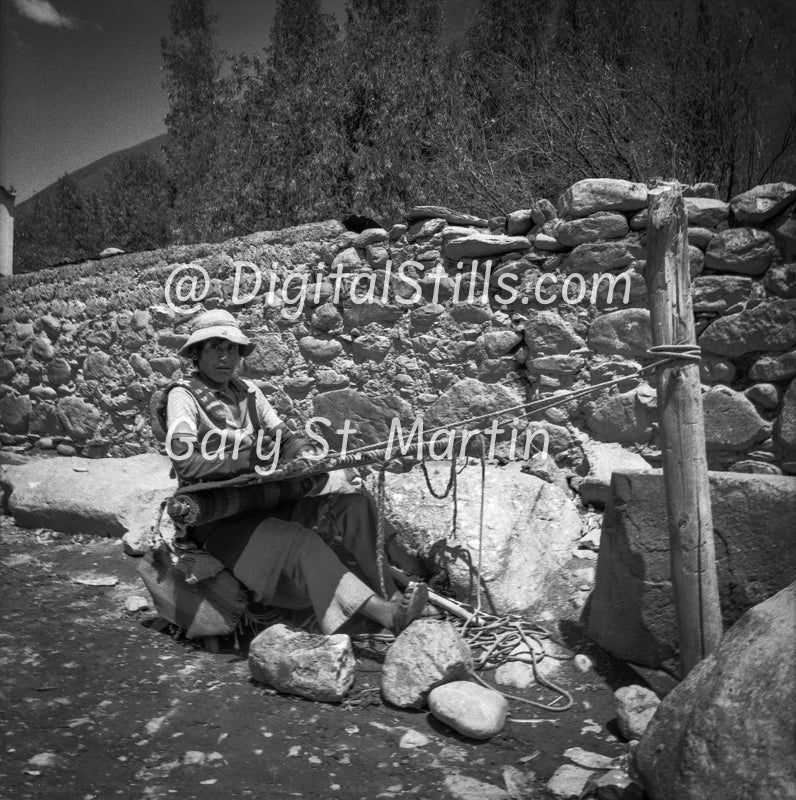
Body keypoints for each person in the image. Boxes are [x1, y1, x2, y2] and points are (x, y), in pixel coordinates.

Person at [165, 309, 428, 636]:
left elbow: (285, 437)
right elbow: (185, 460)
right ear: (196, 353)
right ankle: (385, 614)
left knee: (355, 506)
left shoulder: (248, 392)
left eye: (231, 348)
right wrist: (250, 457)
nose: (225, 356)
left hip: (265, 499)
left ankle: (394, 596)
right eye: (215, 347)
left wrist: (303, 454)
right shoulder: (184, 396)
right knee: (301, 543)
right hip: (221, 518)